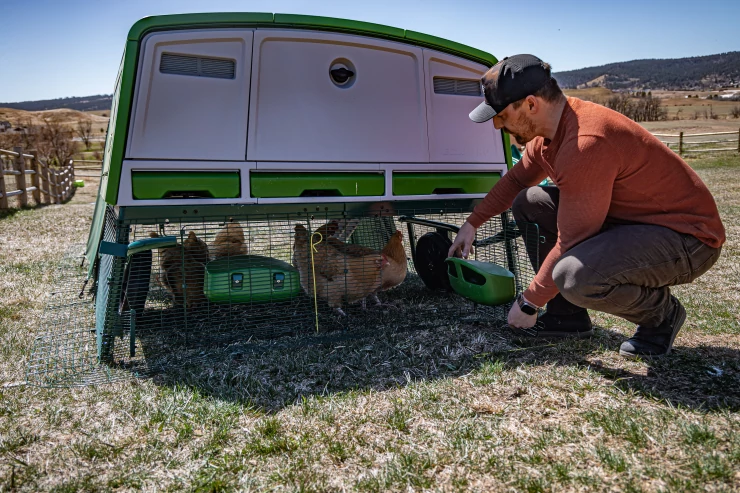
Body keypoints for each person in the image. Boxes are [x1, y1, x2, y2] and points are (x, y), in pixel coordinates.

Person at [448, 54, 725, 358]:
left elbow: (570, 241)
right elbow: (516, 181)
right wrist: (472, 223)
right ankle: (567, 317)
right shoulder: (547, 136)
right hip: (632, 223)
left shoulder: (586, 142)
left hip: (688, 238)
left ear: (531, 104)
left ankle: (662, 316)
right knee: (530, 201)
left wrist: (529, 302)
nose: (496, 124)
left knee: (575, 276)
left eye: (501, 114)